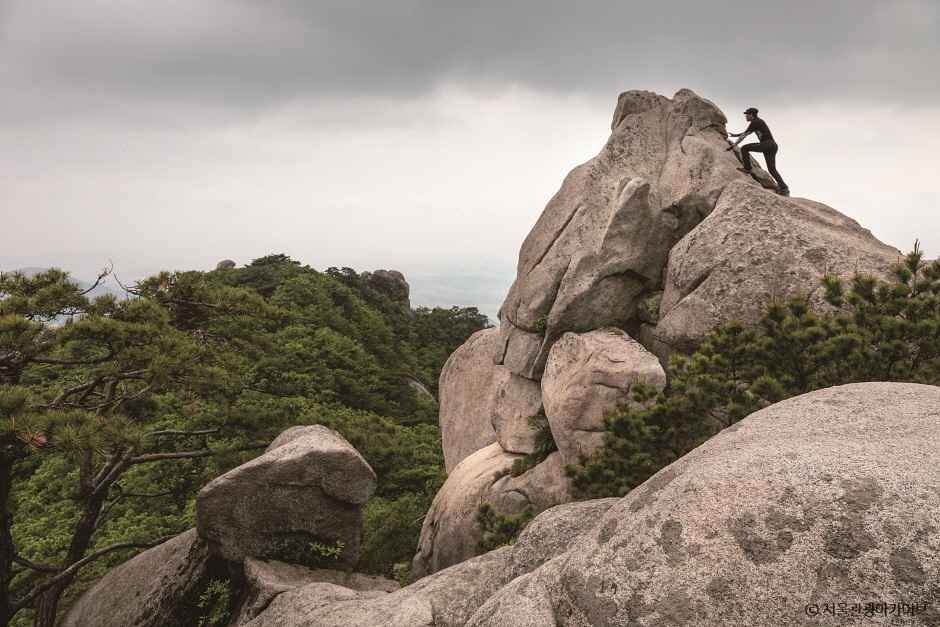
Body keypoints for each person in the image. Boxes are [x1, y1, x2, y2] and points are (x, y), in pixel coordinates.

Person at [727, 107, 790, 196]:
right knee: (772, 169)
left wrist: (734, 145)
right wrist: (735, 135)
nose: (746, 117)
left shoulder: (755, 122)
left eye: (747, 115)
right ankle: (784, 188)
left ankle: (747, 168)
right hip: (772, 146)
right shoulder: (758, 121)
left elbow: (745, 135)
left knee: (744, 148)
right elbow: (746, 132)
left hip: (767, 144)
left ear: (751, 115)